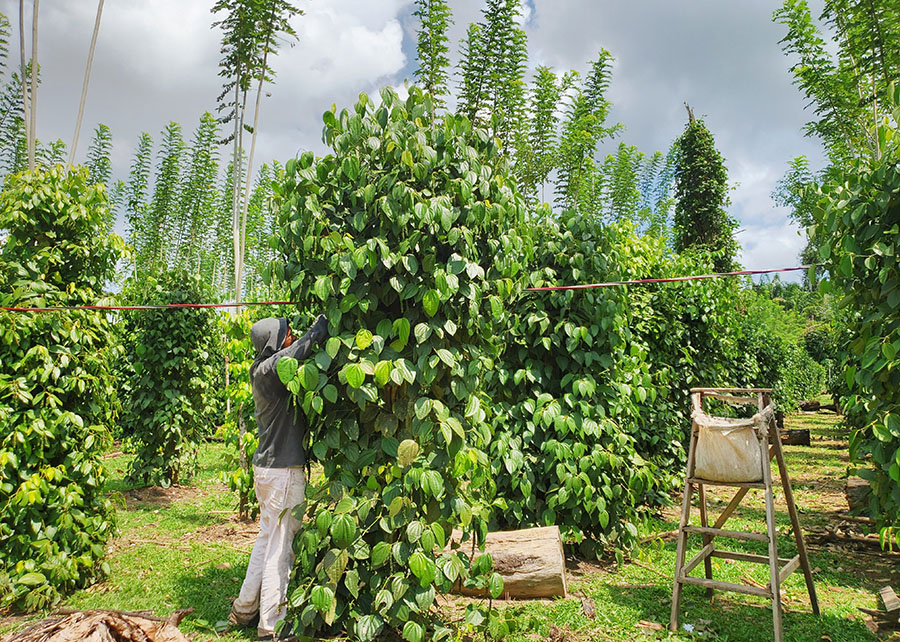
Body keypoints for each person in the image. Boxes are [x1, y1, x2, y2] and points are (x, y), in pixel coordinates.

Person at [229, 314, 328, 641]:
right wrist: (325, 319)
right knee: (280, 548)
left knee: (267, 537)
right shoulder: (271, 370)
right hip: (282, 472)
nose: (292, 336)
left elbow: (296, 347)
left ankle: (243, 608)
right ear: (275, 341)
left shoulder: (262, 370)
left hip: (268, 470)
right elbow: (305, 345)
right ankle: (272, 626)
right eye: (287, 334)